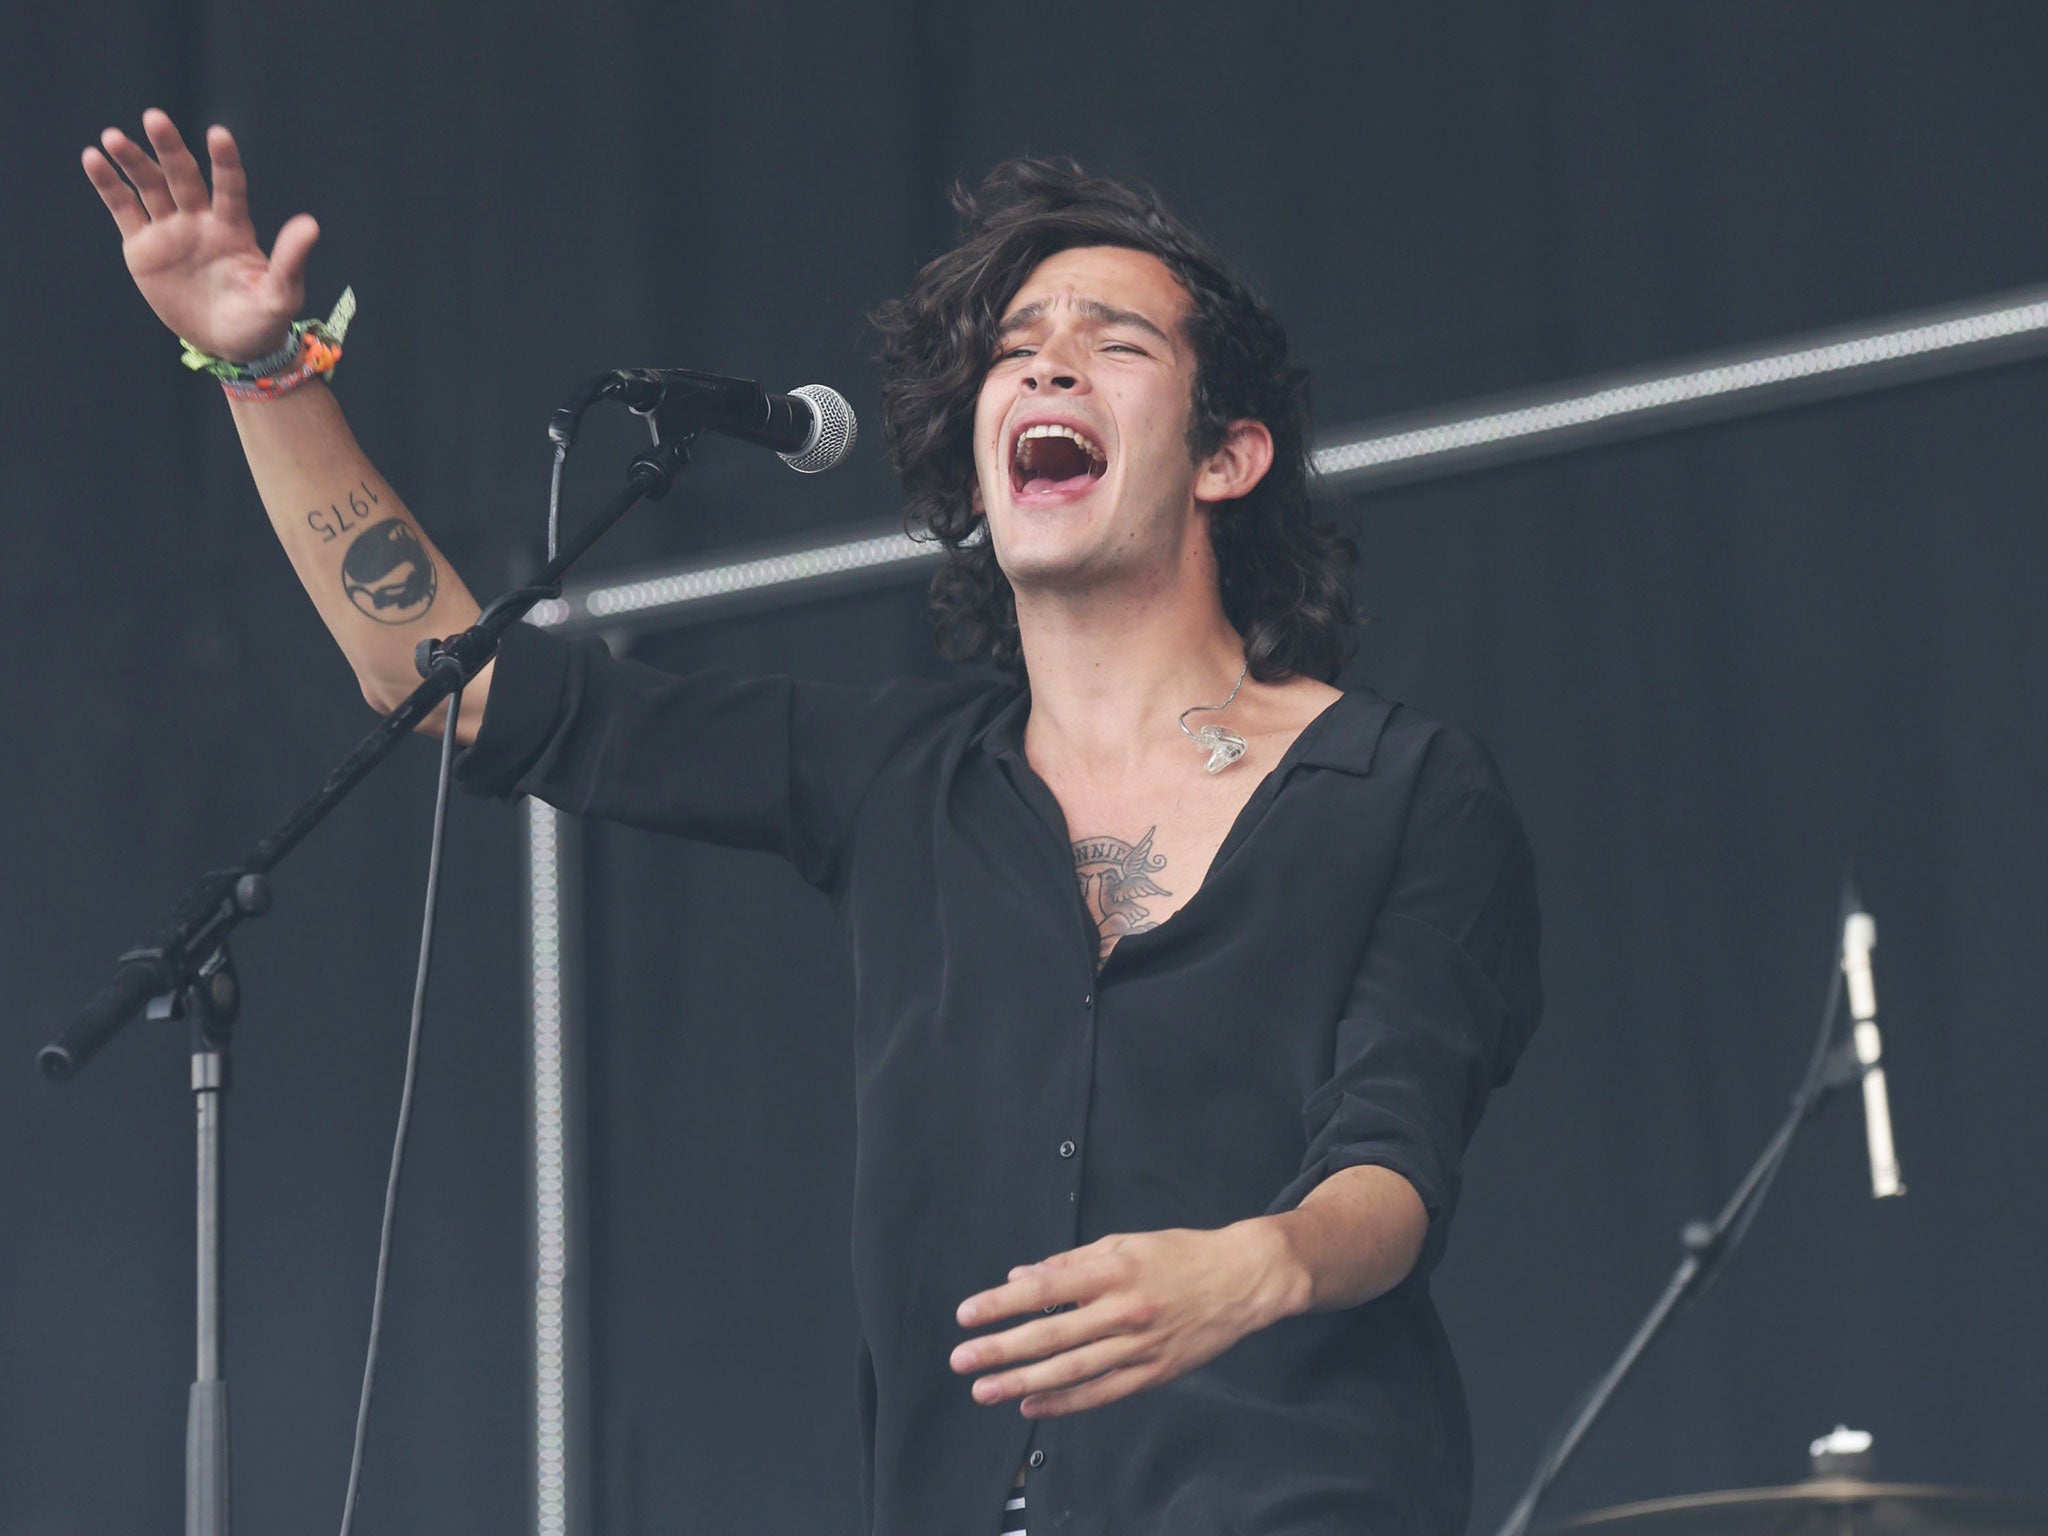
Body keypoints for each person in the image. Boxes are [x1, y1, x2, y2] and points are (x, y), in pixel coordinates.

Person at [85, 110, 1542, 1536]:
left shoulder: (1405, 786)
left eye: (1114, 343)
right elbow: (458, 683)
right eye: (1019, 350)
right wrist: (267, 369)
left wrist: (1258, 1266)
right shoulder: (893, 775)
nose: (1046, 363)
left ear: (1227, 456)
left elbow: (1396, 1156)